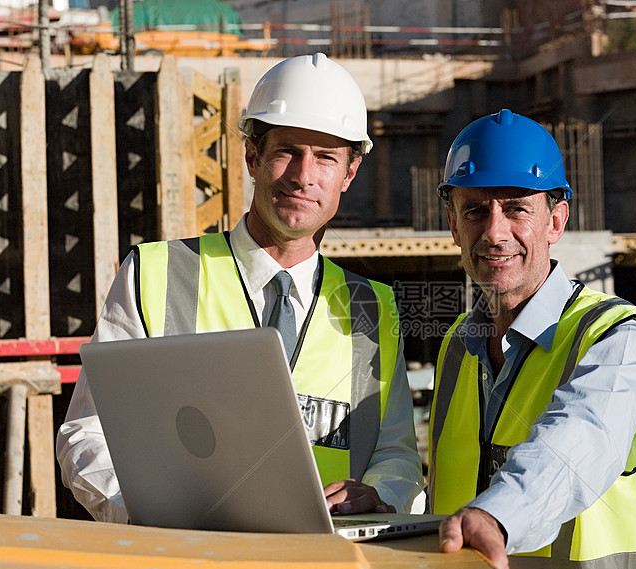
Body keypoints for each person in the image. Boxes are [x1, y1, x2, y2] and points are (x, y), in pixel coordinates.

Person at [57, 52, 425, 524]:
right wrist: (154, 519)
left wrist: (377, 496)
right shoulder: (155, 275)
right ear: (252, 156)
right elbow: (88, 433)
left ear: (349, 174)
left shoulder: (372, 307)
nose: (303, 176)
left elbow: (396, 453)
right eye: (287, 150)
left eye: (326, 158)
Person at [427, 109, 636, 569]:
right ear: (452, 223)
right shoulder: (458, 344)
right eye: (475, 210)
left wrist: (496, 517)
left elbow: (578, 441)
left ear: (556, 220)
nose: (494, 233)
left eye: (516, 209)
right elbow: (445, 486)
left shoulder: (620, 339)